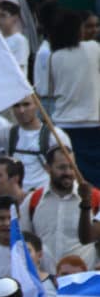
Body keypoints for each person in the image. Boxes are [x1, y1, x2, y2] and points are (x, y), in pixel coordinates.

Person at [48, 9, 100, 187]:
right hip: (92, 122)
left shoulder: (54, 56)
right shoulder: (93, 48)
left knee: (73, 176)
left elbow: (47, 90)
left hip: (64, 124)